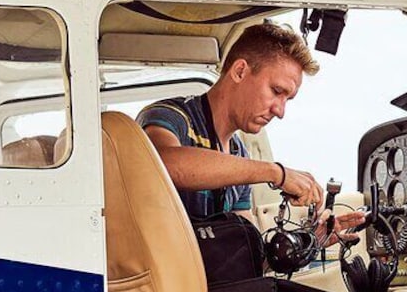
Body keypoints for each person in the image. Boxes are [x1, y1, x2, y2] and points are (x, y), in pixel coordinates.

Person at [137, 22, 364, 244]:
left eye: (287, 99)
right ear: (240, 71)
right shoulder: (171, 117)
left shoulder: (240, 155)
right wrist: (277, 174)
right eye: (276, 91)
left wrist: (310, 240)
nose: (280, 111)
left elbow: (244, 252)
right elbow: (165, 165)